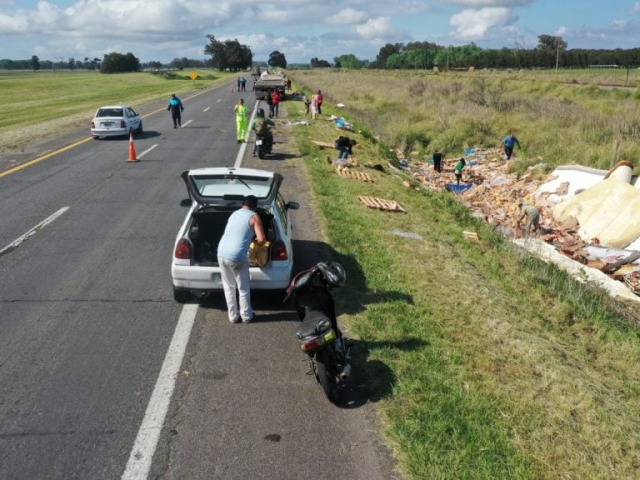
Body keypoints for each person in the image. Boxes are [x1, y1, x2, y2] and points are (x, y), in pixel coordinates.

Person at [217, 195, 266, 323]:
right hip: (237, 256)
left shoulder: (234, 214)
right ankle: (246, 316)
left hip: (221, 252)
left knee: (228, 287)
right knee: (243, 287)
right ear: (255, 207)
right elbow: (261, 240)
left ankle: (233, 316)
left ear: (242, 205)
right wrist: (253, 242)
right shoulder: (254, 217)